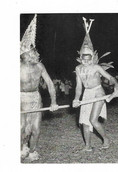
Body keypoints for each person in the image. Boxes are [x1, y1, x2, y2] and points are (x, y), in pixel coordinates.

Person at [72, 17, 118, 151]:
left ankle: (105, 138)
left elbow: (110, 77)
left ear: (92, 58)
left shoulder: (96, 67)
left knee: (93, 120)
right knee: (84, 121)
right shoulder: (78, 69)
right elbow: (78, 86)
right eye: (84, 59)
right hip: (87, 94)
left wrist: (116, 85)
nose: (86, 62)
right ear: (80, 58)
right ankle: (87, 146)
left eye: (89, 60)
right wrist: (77, 98)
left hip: (98, 92)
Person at [20, 14, 58, 161]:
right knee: (21, 128)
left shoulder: (40, 66)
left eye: (33, 50)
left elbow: (49, 84)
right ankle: (22, 148)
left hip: (35, 98)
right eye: (31, 51)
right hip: (20, 98)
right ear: (24, 53)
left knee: (35, 129)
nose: (34, 53)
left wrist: (53, 101)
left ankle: (32, 151)